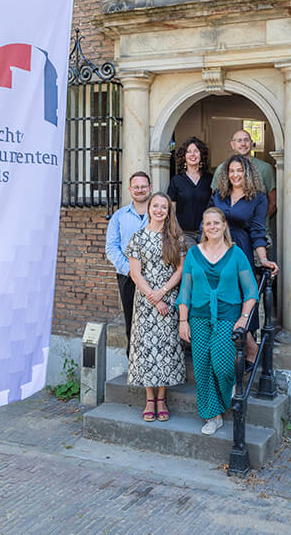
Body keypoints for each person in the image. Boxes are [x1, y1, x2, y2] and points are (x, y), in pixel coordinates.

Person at [177, 207, 259, 435]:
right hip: (199, 317)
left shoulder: (236, 254)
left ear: (224, 226)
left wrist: (244, 318)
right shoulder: (194, 254)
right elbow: (185, 289)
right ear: (203, 227)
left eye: (216, 223)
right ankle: (212, 416)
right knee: (202, 367)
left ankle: (226, 393)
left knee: (222, 366)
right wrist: (183, 320)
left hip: (227, 317)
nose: (212, 227)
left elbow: (251, 290)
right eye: (208, 223)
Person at [211, 154, 279, 368]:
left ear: (247, 172)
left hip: (241, 250)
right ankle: (238, 348)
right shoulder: (219, 195)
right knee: (220, 300)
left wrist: (263, 259)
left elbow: (258, 231)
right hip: (216, 249)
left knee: (240, 299)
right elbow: (207, 221)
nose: (235, 174)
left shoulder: (258, 197)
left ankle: (250, 347)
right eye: (231, 171)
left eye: (239, 170)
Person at [126, 192, 187, 421]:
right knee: (146, 350)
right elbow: (135, 273)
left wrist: (163, 293)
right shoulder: (138, 237)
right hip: (145, 302)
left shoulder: (176, 238)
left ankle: (162, 398)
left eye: (164, 207)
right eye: (155, 206)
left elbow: (180, 270)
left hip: (169, 299)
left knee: (165, 349)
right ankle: (149, 399)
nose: (159, 210)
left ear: (168, 211)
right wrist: (153, 297)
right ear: (149, 208)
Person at [105, 171, 151, 347]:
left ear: (150, 188)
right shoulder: (119, 216)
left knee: (156, 322)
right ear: (130, 189)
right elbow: (111, 248)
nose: (140, 190)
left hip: (156, 277)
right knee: (132, 322)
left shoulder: (161, 212)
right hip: (128, 277)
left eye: (143, 186)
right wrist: (131, 270)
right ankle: (133, 368)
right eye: (136, 187)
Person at [211, 128, 277, 231]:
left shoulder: (265, 168)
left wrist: (256, 222)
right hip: (228, 233)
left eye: (246, 140)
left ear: (251, 143)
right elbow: (215, 202)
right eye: (239, 140)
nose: (243, 144)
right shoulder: (222, 169)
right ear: (232, 145)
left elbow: (273, 203)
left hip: (259, 232)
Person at [167, 137, 212, 250]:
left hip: (207, 232)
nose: (193, 154)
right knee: (194, 261)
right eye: (189, 151)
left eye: (196, 151)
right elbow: (172, 210)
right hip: (185, 233)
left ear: (201, 155)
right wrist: (176, 232)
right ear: (184, 157)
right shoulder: (176, 180)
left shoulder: (209, 179)